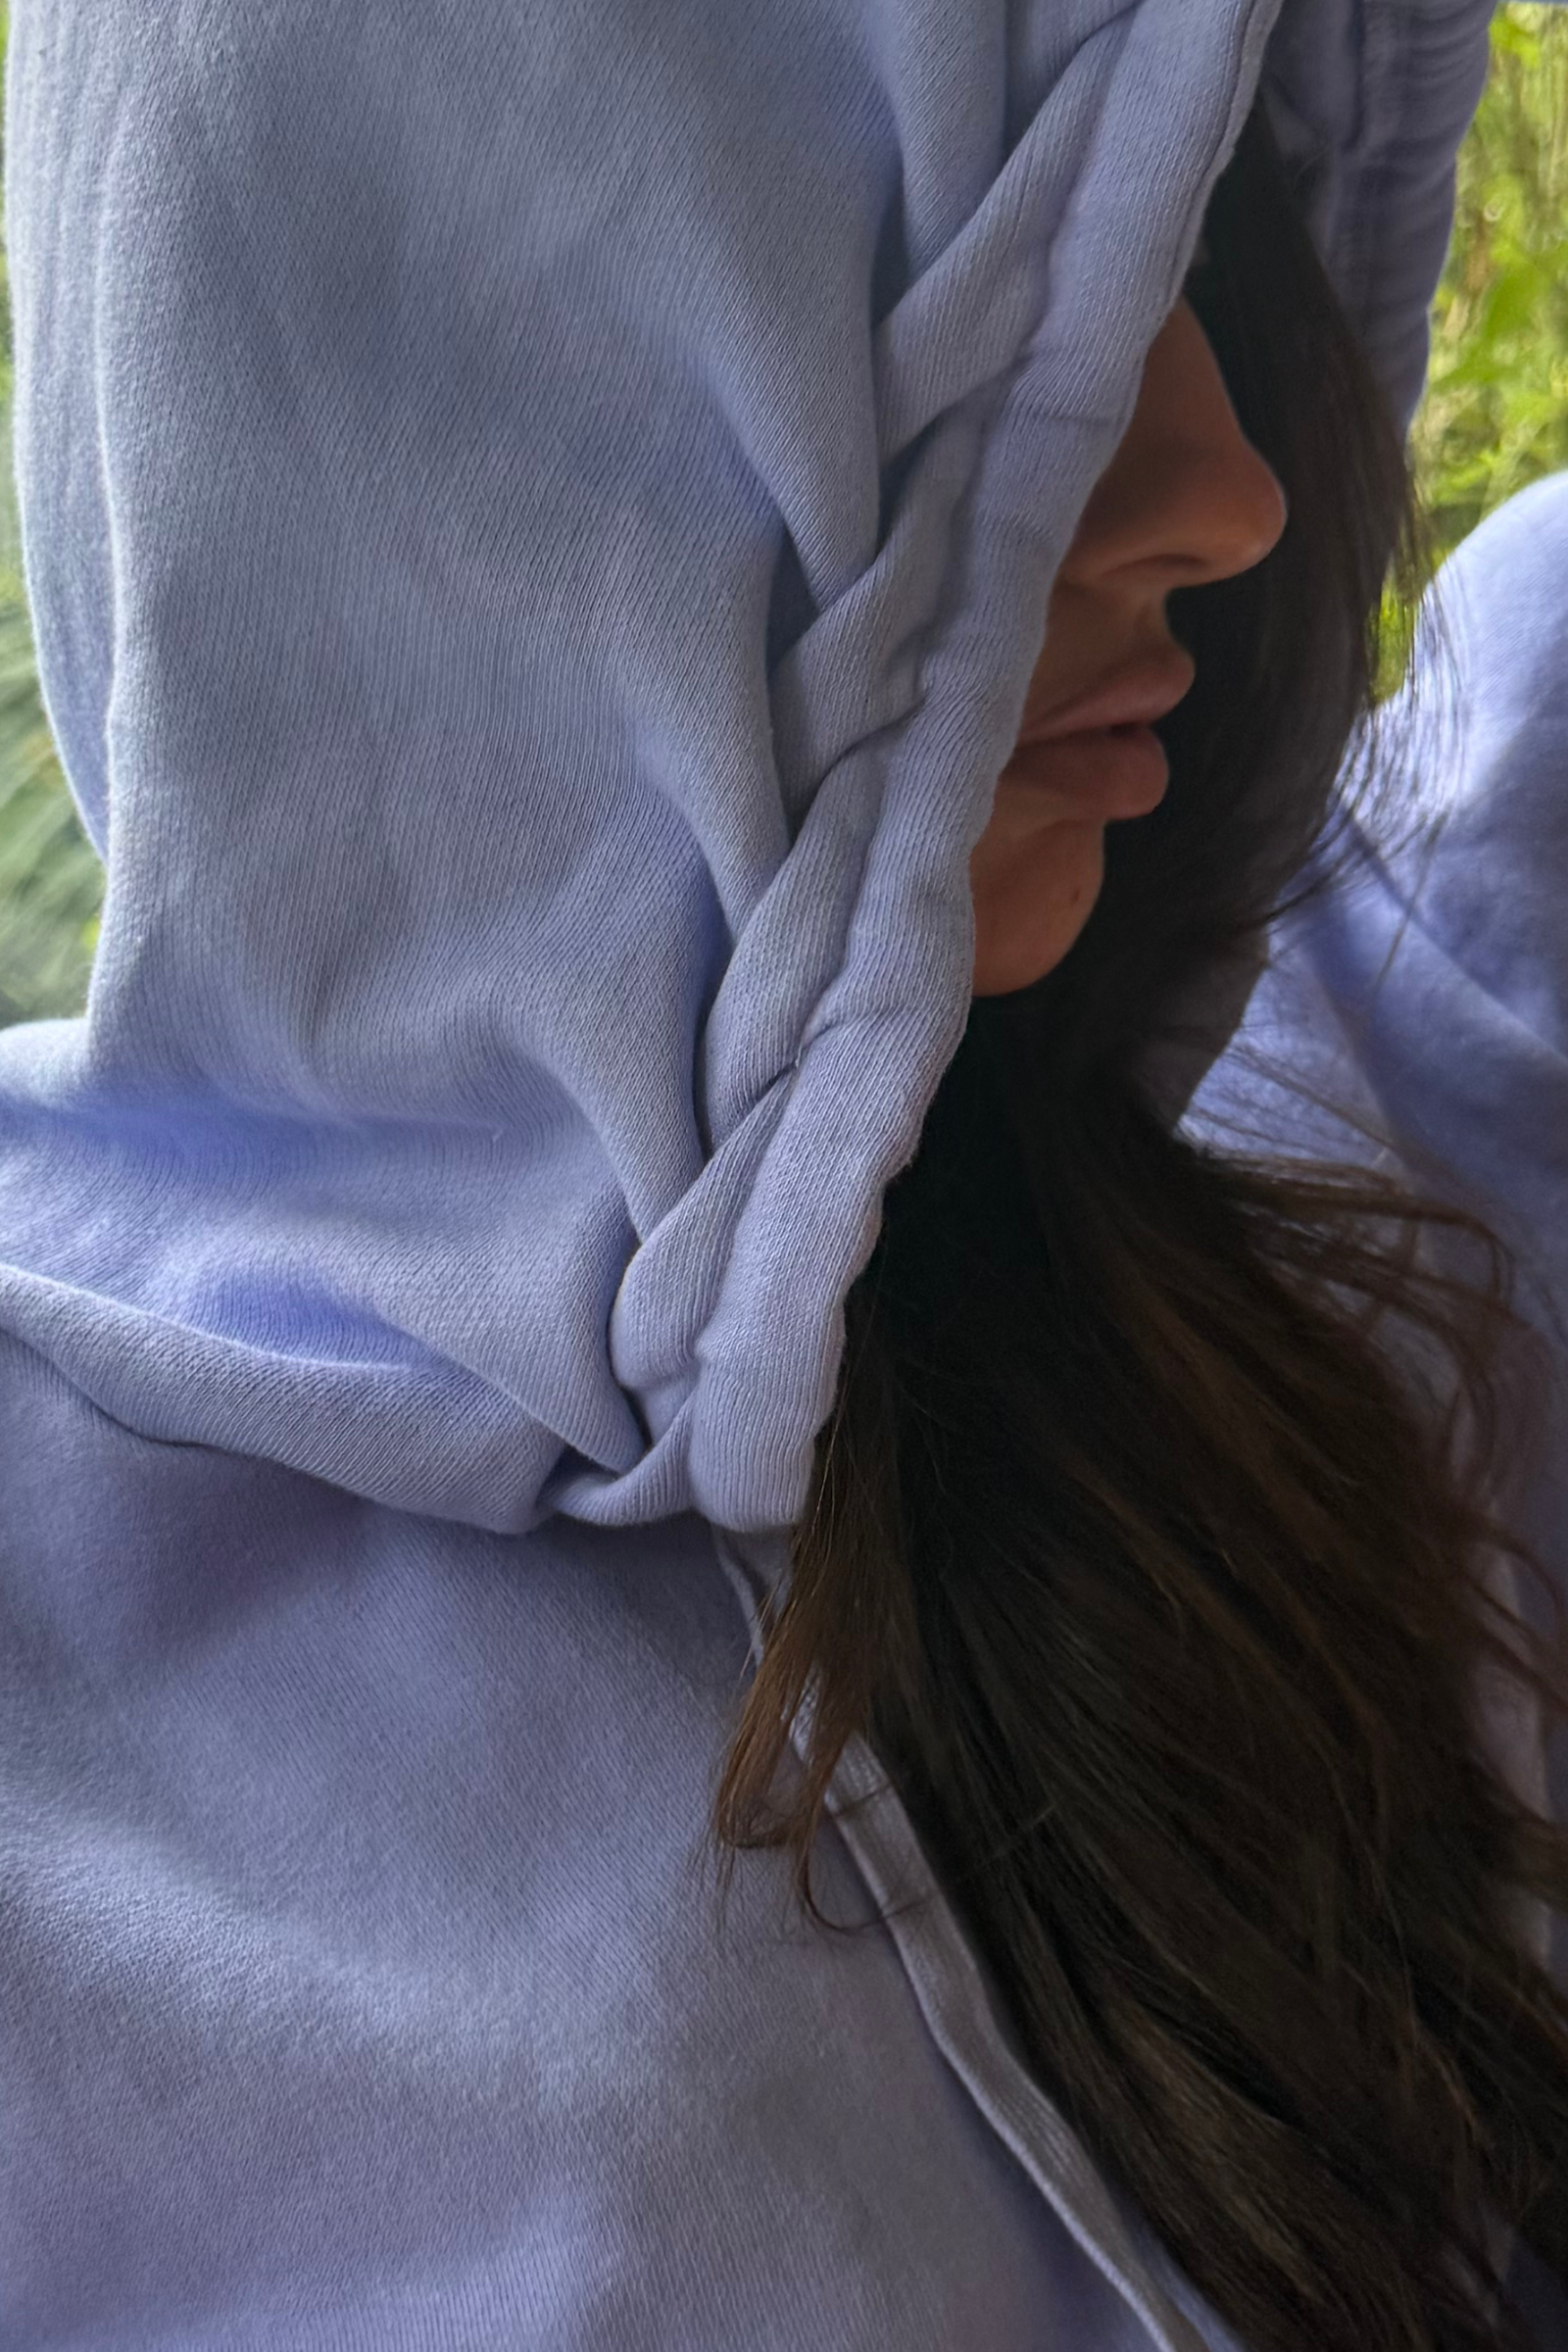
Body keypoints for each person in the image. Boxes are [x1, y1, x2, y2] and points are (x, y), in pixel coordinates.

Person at [1, 7, 1564, 2352]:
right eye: (963, 326)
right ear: (453, 386)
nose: (1223, 494)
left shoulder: (1306, 1139)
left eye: (1168, 245)